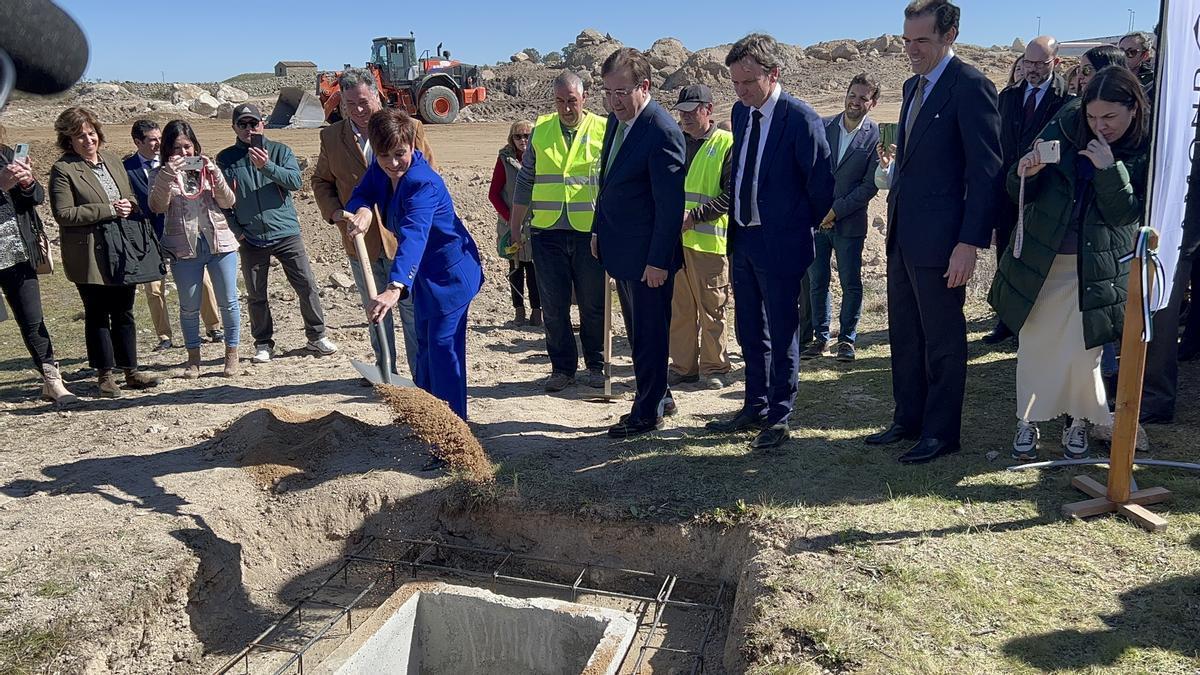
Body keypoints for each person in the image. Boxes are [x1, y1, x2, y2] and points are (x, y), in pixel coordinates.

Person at [989, 66, 1150, 459]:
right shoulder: (1065, 122)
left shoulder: (1147, 144)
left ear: (1133, 109)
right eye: (1093, 116)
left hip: (1095, 266)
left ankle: (1078, 420)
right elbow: (1016, 188)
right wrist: (1026, 171)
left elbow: (1127, 215)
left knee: (1084, 352)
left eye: (1110, 117)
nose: (1100, 125)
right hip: (1042, 260)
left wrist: (1110, 171)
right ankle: (1027, 420)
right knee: (1034, 345)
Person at [866, 0, 1002, 464]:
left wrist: (969, 242)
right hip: (904, 235)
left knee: (942, 338)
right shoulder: (911, 87)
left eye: (922, 40)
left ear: (950, 36)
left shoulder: (971, 86)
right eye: (907, 40)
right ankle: (908, 419)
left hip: (945, 242)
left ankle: (941, 432)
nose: (911, 50)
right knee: (904, 331)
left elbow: (986, 173)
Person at [705, 33, 835, 450]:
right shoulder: (741, 115)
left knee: (782, 332)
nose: (740, 91)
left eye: (748, 82)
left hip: (782, 244)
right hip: (743, 239)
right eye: (735, 83)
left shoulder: (801, 119)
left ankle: (780, 415)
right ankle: (754, 405)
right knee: (749, 330)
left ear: (773, 74)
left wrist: (795, 229)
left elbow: (820, 187)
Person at [345, 109, 483, 421]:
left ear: (411, 145)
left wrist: (394, 287)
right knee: (424, 348)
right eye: (384, 156)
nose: (393, 164)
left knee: (443, 350)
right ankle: (428, 419)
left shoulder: (423, 184)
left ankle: (453, 432)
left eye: (399, 154)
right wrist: (364, 209)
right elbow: (362, 192)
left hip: (450, 276)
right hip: (423, 276)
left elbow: (414, 236)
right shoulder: (382, 169)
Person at [313, 69, 432, 378]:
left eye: (364, 102)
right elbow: (322, 181)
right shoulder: (331, 137)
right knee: (376, 311)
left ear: (378, 95)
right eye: (350, 104)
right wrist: (336, 213)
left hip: (402, 241)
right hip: (360, 243)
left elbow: (427, 179)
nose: (359, 111)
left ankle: (421, 375)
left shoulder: (412, 129)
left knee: (410, 310)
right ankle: (385, 371)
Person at [593, 48, 687, 439]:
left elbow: (670, 207)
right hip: (623, 251)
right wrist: (599, 230)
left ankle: (646, 414)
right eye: (608, 92)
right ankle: (660, 395)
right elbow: (608, 180)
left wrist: (658, 261)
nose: (614, 101)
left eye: (621, 92)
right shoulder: (620, 121)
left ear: (644, 87)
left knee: (650, 335)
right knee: (637, 332)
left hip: (650, 259)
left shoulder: (661, 130)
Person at [505, 72, 607, 393]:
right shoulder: (541, 131)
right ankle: (562, 368)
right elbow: (526, 181)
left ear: (584, 98)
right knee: (554, 305)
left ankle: (597, 364)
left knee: (593, 303)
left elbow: (612, 185)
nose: (566, 108)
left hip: (588, 233)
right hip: (546, 232)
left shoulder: (603, 131)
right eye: (560, 101)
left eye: (572, 101)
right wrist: (515, 225)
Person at [49, 107, 161, 397]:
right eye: (79, 136)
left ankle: (131, 370)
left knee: (124, 310)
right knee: (97, 313)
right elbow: (63, 213)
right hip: (89, 251)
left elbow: (130, 196)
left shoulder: (113, 160)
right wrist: (109, 210)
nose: (88, 140)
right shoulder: (64, 169)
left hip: (122, 246)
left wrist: (130, 205)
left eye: (91, 133)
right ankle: (104, 374)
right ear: (68, 140)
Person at [217, 103, 337, 364]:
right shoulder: (225, 159)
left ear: (263, 124)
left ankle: (316, 336)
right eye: (243, 124)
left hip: (285, 232)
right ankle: (263, 343)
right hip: (251, 237)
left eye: (254, 123)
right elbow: (222, 200)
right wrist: (237, 231)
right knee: (256, 294)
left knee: (306, 285)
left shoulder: (280, 151)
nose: (249, 129)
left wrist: (266, 166)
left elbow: (295, 181)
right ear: (234, 127)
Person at [984, 36, 1071, 346]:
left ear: (1056, 62)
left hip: (1044, 195)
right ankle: (1007, 321)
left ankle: (1032, 328)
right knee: (1007, 255)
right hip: (1009, 191)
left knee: (1035, 260)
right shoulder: (1008, 97)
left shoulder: (1067, 101)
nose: (1032, 69)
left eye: (1040, 64)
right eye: (1028, 62)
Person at [149, 120, 241, 379]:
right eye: (177, 148)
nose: (183, 154)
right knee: (189, 306)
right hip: (183, 248)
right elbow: (157, 206)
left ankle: (231, 355)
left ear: (195, 146)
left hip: (218, 242)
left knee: (229, 301)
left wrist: (215, 175)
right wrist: (167, 174)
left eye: (187, 147)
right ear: (167, 150)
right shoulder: (159, 174)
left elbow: (228, 201)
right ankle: (193, 358)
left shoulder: (206, 169)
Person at [123, 120, 222, 352]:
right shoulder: (127, 168)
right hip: (148, 235)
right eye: (152, 140)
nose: (158, 143)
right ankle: (164, 336)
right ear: (138, 142)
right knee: (154, 288)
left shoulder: (185, 163)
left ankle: (213, 326)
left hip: (183, 231)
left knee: (203, 280)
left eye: (160, 138)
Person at [805, 73, 881, 363]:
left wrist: (835, 210)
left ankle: (847, 340)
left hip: (849, 222)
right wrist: (818, 209)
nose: (855, 101)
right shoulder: (823, 126)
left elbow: (869, 185)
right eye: (853, 94)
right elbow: (810, 170)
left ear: (872, 103)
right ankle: (820, 338)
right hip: (817, 222)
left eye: (863, 97)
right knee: (817, 281)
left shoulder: (875, 135)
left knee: (851, 282)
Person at [0, 130, 77, 403]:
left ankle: (51, 381)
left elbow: (37, 198)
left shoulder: (7, 154)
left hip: (18, 253)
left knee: (33, 320)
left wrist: (27, 182)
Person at [666, 85, 733, 390]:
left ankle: (715, 367)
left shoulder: (725, 143)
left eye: (692, 110)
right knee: (680, 310)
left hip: (708, 243)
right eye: (682, 111)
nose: (686, 117)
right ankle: (683, 367)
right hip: (675, 243)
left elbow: (732, 195)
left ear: (709, 109)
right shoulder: (675, 143)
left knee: (712, 308)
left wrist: (695, 216)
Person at [487, 119, 542, 327]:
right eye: (518, 136)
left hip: (535, 223)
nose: (523, 140)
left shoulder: (539, 157)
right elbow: (493, 194)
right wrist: (512, 219)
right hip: (511, 224)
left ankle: (537, 312)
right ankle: (519, 311)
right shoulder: (504, 160)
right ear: (512, 138)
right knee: (515, 268)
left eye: (527, 136)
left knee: (535, 269)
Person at [1119, 31, 1156, 102]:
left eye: (1131, 52)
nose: (1124, 56)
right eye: (1121, 51)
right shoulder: (1108, 76)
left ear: (1145, 55)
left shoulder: (1152, 81)